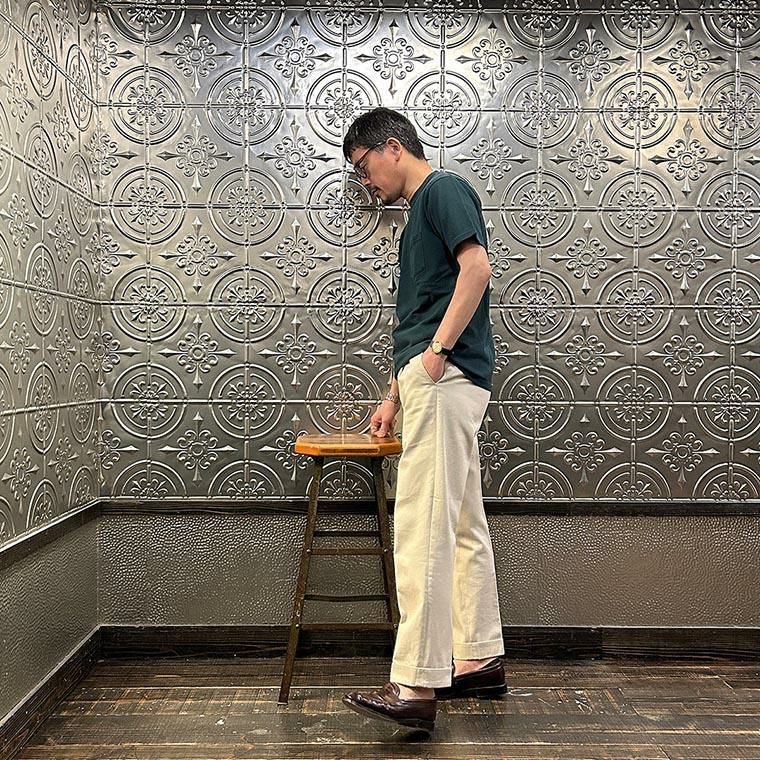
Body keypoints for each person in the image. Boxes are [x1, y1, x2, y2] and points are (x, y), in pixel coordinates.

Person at [341, 108, 506, 732]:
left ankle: (414, 684)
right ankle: (478, 657)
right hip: (440, 381)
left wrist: (436, 354)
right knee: (461, 523)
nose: (366, 182)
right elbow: (425, 309)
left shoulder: (442, 190)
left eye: (364, 167)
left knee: (422, 527)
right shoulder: (422, 211)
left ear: (392, 147)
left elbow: (477, 270)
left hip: (446, 376)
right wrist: (395, 394)